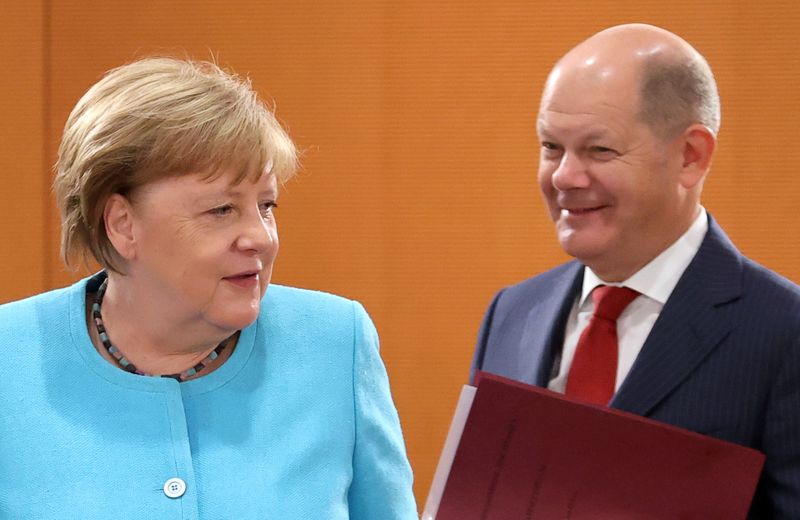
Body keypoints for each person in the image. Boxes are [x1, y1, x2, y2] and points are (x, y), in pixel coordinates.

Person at [0, 57, 417, 518]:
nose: (261, 237)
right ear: (123, 224)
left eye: (267, 204)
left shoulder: (337, 342)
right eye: (221, 210)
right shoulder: (9, 357)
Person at [471, 23, 800, 518]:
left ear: (690, 156)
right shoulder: (512, 313)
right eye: (551, 146)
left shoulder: (782, 331)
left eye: (599, 150)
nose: (563, 176)